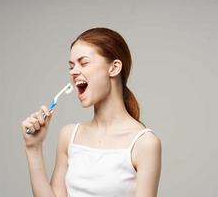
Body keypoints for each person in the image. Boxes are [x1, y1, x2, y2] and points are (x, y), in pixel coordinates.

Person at [21, 27, 162, 197]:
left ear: (114, 68)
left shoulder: (144, 143)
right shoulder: (68, 135)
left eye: (84, 63)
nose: (74, 71)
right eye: (71, 66)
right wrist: (33, 148)